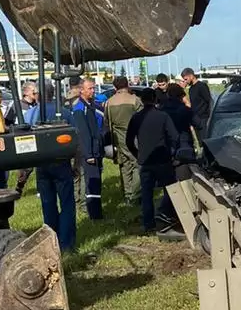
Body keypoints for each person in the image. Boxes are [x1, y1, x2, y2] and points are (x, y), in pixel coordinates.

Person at [125, 88, 185, 238]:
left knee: (146, 194)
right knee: (170, 191)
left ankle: (148, 224)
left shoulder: (136, 117)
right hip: (163, 159)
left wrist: (137, 154)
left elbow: (128, 140)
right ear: (155, 100)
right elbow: (175, 137)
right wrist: (172, 152)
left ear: (142, 100)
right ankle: (167, 218)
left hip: (145, 161)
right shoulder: (163, 116)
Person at [24, 85, 76, 251]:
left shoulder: (30, 115)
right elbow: (77, 139)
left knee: (48, 204)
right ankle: (66, 243)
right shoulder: (65, 113)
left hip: (41, 163)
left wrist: (24, 170)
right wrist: (77, 164)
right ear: (53, 94)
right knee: (67, 203)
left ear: (38, 96)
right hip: (62, 162)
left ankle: (51, 243)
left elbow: (24, 142)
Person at [70, 76, 105, 220]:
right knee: (92, 182)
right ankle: (95, 215)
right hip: (89, 152)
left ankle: (97, 211)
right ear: (81, 90)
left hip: (97, 149)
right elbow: (83, 133)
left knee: (97, 182)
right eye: (90, 88)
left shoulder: (90, 105)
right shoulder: (80, 108)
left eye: (93, 88)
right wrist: (89, 154)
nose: (93, 91)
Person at [103, 75, 142, 203]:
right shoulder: (135, 100)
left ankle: (127, 194)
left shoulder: (109, 102)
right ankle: (136, 194)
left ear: (115, 87)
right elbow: (143, 119)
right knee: (137, 164)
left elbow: (107, 122)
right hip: (135, 137)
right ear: (127, 85)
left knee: (124, 166)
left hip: (118, 139)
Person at [181, 67, 212, 137]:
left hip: (203, 117)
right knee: (199, 140)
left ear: (191, 76)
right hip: (195, 117)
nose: (185, 81)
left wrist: (208, 115)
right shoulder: (191, 88)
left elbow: (208, 100)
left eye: (186, 79)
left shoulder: (202, 86)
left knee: (204, 138)